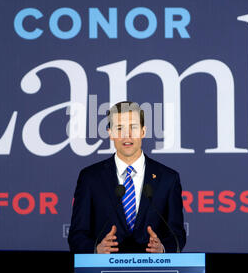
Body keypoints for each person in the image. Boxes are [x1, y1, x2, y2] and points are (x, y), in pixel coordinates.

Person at [68, 101, 186, 253]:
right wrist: (96, 249)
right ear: (110, 133)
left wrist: (162, 248)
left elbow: (178, 234)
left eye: (133, 127)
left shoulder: (168, 179)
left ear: (143, 131)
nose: (127, 135)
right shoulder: (90, 178)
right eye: (119, 128)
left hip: (153, 272)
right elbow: (77, 235)